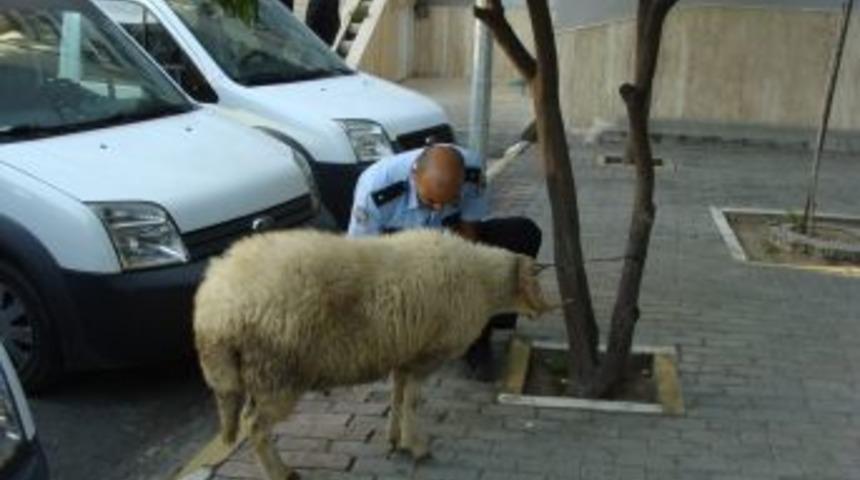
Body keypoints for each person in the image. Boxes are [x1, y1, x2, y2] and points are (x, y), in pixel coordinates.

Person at [347, 144, 542, 381]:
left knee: (522, 232)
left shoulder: (471, 173)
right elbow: (362, 258)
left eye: (448, 201)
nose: (439, 208)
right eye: (430, 201)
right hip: (397, 259)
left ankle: (477, 335)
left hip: (447, 246)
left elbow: (470, 235)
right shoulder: (376, 190)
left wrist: (467, 279)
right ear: (414, 177)